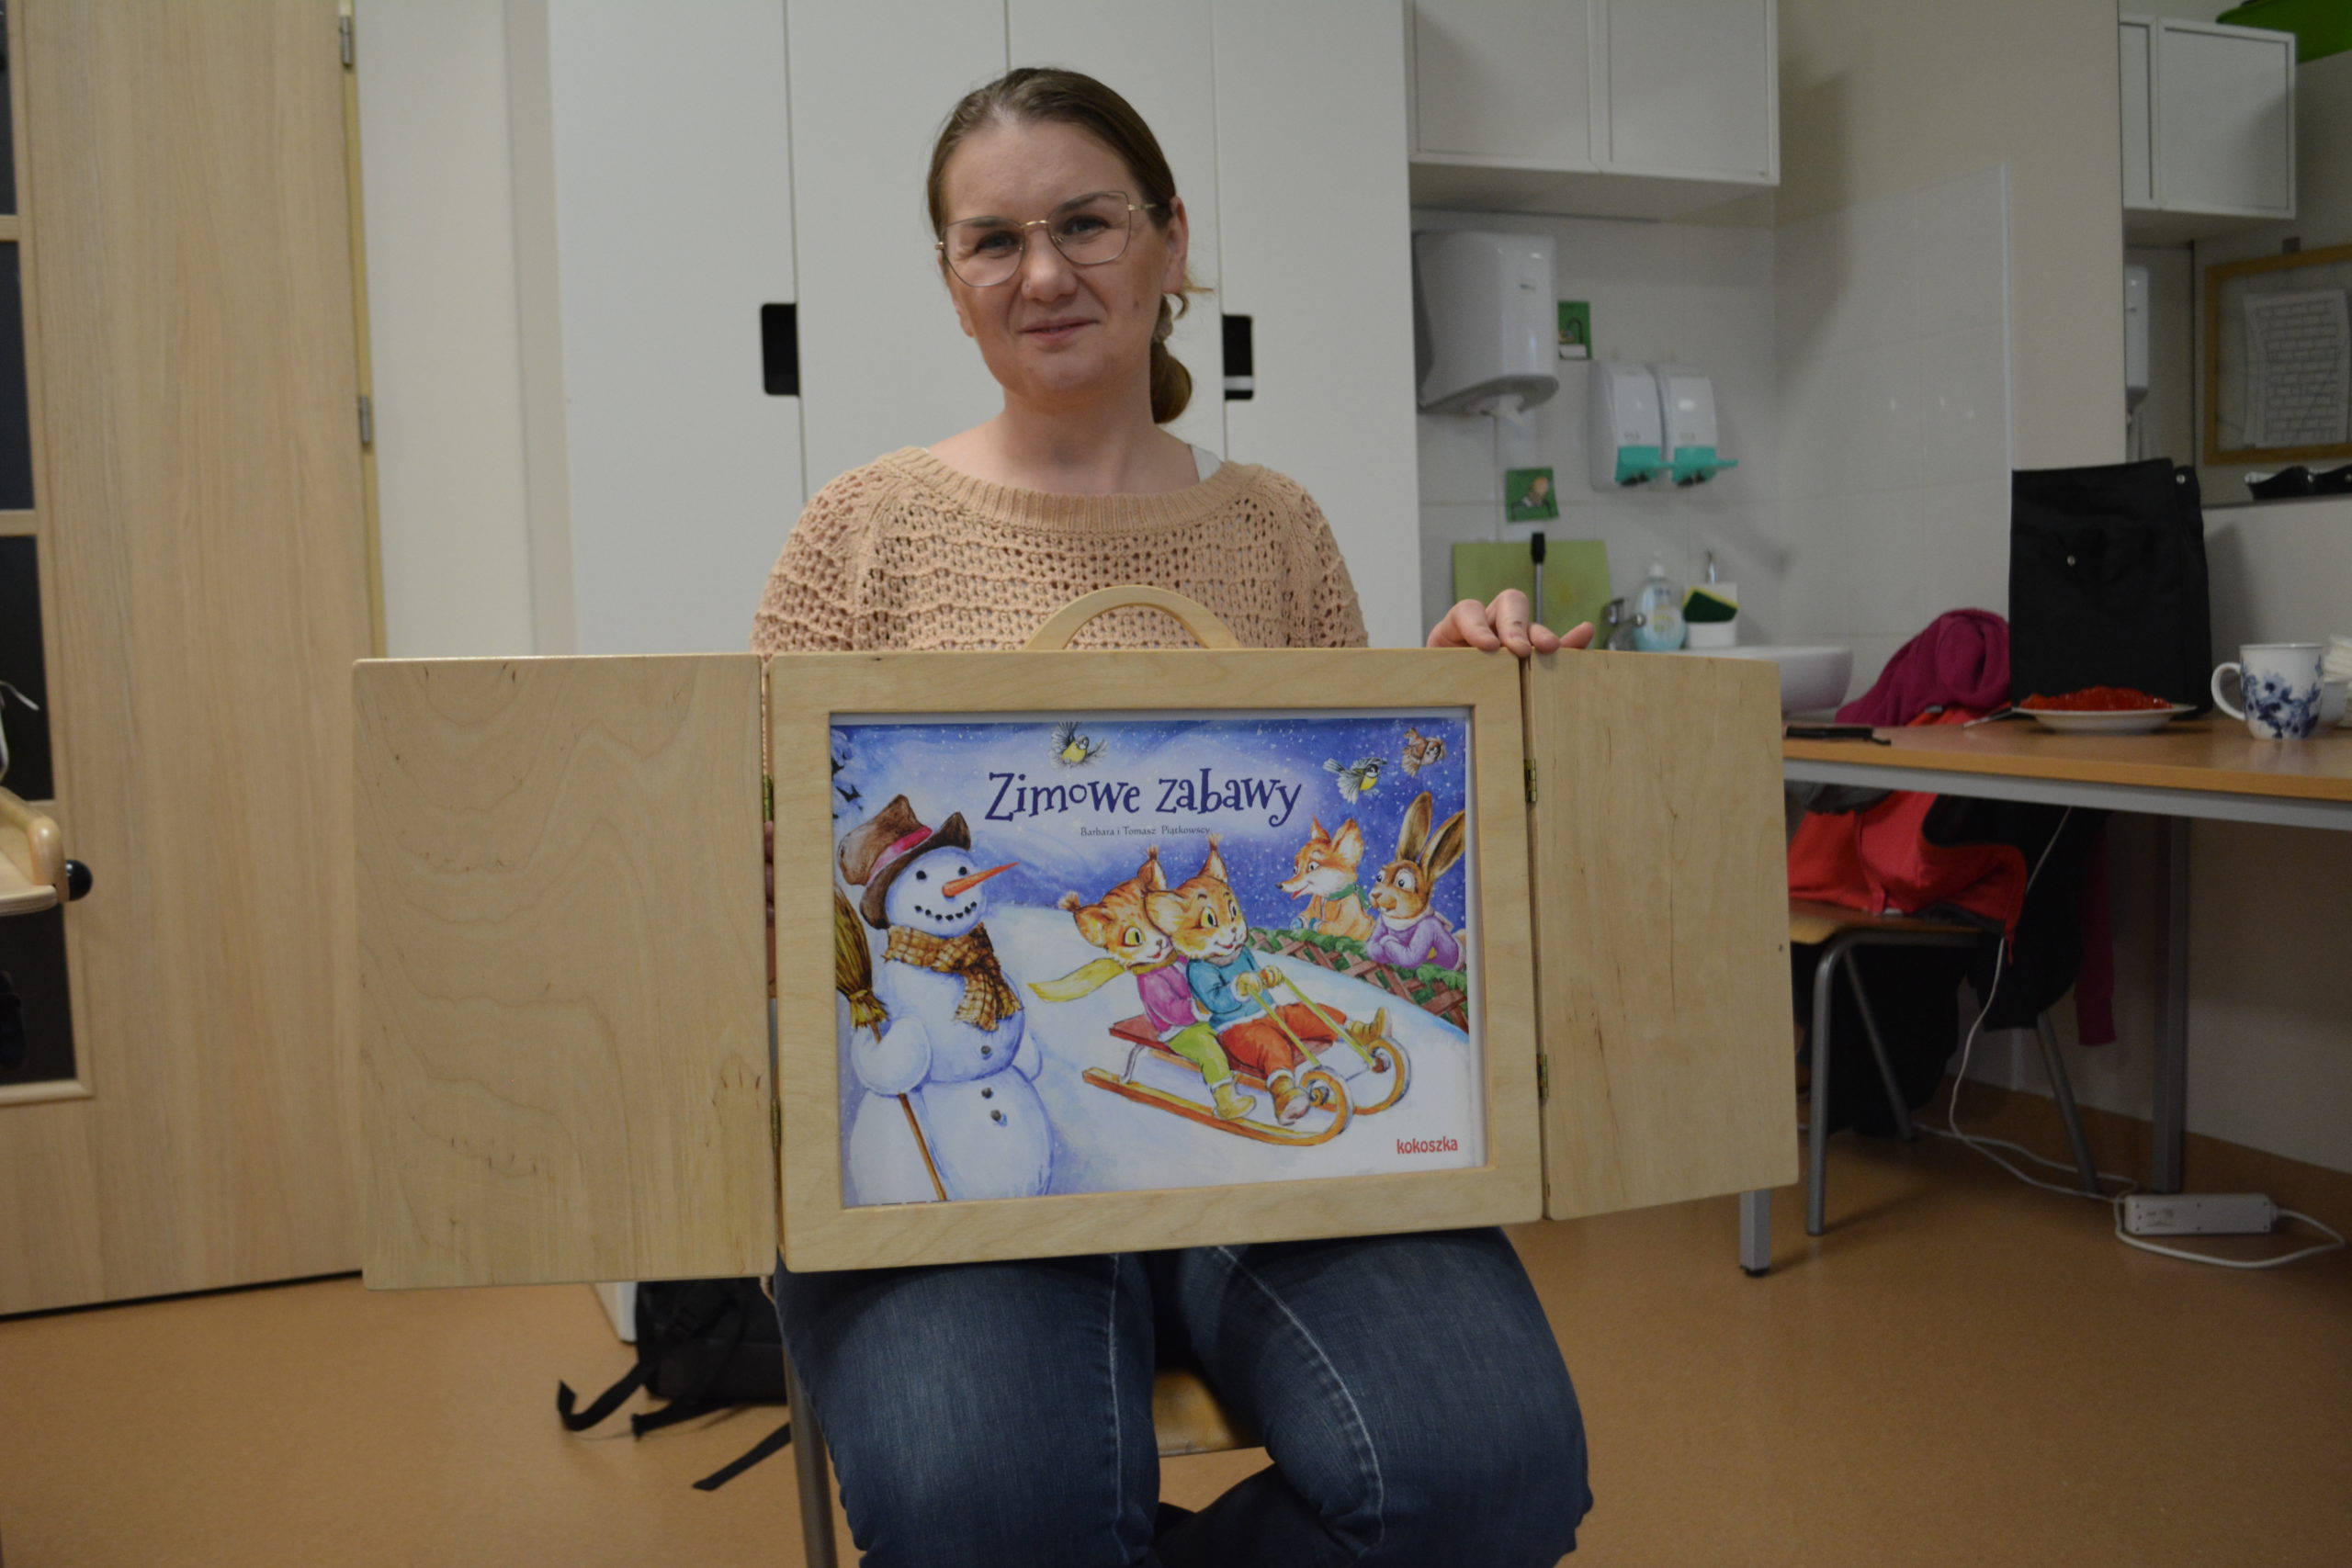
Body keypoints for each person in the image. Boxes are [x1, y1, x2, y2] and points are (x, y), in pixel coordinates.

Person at [753, 67, 1593, 1567]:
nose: (1044, 274)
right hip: (965, 1132)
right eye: (992, 240)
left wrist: (1453, 724)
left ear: (1170, 241)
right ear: (951, 279)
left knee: (1492, 1474)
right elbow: (761, 865)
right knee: (988, 1517)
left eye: (1085, 223)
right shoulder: (858, 531)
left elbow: (1353, 863)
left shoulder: (1277, 528)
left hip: (1262, 1160)